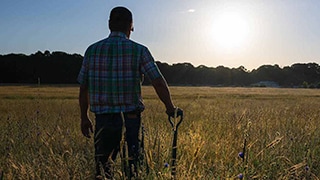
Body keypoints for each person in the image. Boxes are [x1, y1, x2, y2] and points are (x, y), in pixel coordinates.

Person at [77, 6, 183, 179]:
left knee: (103, 169)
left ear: (109, 25)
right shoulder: (139, 50)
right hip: (131, 119)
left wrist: (84, 117)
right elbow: (157, 81)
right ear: (131, 27)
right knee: (133, 167)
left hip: (103, 120)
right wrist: (170, 108)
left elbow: (83, 88)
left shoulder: (92, 51)